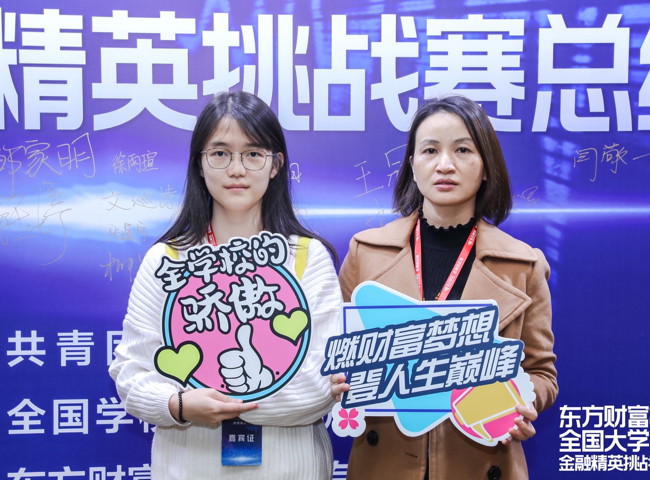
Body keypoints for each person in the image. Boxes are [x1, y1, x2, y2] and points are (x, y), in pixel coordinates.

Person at [109, 91, 342, 479]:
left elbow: (323, 385)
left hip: (291, 469)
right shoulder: (168, 261)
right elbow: (132, 376)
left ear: (275, 165)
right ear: (199, 165)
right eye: (220, 153)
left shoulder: (307, 257)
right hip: (188, 468)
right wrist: (181, 406)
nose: (237, 169)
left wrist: (212, 400)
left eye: (253, 154)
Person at [331, 95, 557, 480]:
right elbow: (334, 355)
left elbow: (542, 373)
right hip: (385, 461)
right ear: (412, 165)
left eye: (463, 150)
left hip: (482, 458)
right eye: (430, 150)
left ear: (485, 167)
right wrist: (338, 379)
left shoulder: (524, 264)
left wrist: (521, 401)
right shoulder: (365, 253)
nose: (445, 165)